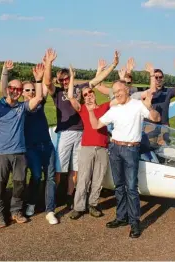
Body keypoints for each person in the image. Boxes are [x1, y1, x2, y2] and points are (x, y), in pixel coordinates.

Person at [43, 50, 120, 208]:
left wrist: (113, 65)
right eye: (62, 80)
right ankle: (53, 197)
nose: (65, 81)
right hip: (65, 132)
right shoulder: (56, 92)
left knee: (76, 168)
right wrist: (48, 63)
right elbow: (47, 82)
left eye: (67, 78)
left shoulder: (80, 88)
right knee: (59, 168)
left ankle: (70, 197)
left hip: (82, 133)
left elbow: (99, 79)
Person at [87, 80, 161, 238]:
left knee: (131, 188)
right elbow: (96, 125)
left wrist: (149, 107)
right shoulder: (114, 109)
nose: (116, 95)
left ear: (126, 89)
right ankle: (121, 217)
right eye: (114, 92)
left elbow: (156, 118)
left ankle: (135, 223)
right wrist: (91, 111)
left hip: (131, 149)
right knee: (118, 186)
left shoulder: (138, 105)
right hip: (115, 148)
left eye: (119, 91)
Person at [0, 55, 58, 225]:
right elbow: (4, 91)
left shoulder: (39, 103)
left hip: (47, 146)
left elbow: (44, 88)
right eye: (27, 90)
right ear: (20, 93)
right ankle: (31, 202)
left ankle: (50, 210)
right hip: (30, 148)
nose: (31, 92)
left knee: (51, 177)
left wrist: (46, 67)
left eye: (32, 90)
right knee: (37, 176)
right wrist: (5, 72)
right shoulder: (18, 108)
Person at [0, 62, 46, 228]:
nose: (16, 92)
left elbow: (38, 98)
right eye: (13, 88)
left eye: (19, 90)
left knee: (19, 185)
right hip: (1, 154)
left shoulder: (22, 107)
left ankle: (16, 211)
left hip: (20, 153)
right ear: (7, 89)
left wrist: (38, 81)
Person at [66, 65, 118, 220]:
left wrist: (115, 68)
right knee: (83, 178)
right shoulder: (82, 109)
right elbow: (70, 97)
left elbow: (117, 99)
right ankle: (78, 207)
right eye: (85, 94)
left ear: (94, 94)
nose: (88, 95)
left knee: (98, 178)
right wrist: (72, 78)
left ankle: (93, 205)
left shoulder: (104, 107)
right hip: (87, 147)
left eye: (90, 92)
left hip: (102, 148)